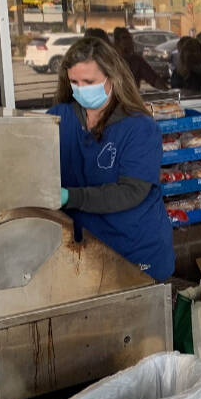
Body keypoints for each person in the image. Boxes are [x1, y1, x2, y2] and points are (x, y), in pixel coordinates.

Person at [47, 37, 174, 280]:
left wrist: (69, 197)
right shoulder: (58, 119)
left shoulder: (139, 127)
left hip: (135, 249)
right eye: (75, 82)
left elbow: (131, 192)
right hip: (85, 251)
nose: (81, 89)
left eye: (89, 82)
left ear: (112, 79)